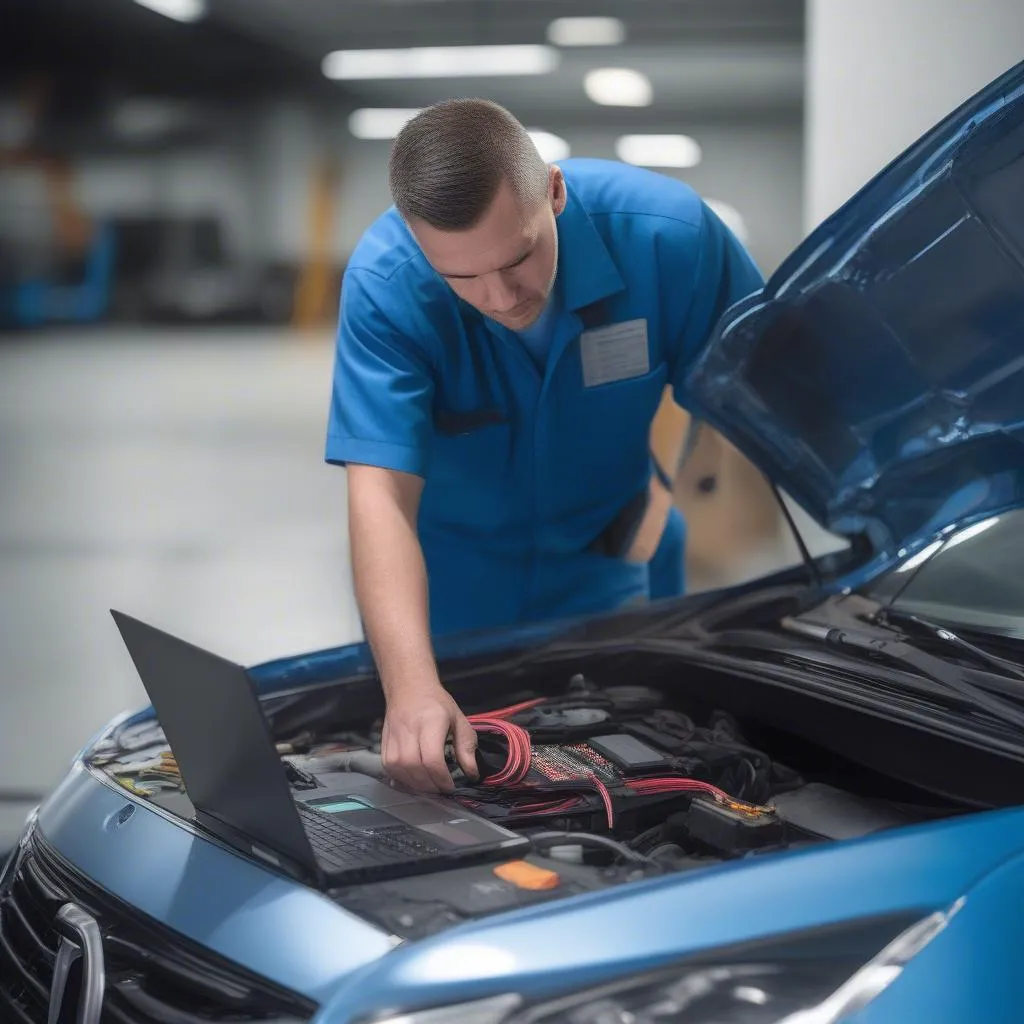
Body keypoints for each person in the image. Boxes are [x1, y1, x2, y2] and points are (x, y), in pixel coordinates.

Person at [325, 99, 763, 794]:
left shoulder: (669, 240)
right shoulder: (387, 286)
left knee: (623, 778)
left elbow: (775, 399)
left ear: (554, 192)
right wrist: (410, 686)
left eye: (518, 257)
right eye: (461, 277)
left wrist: (660, 508)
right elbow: (379, 492)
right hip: (447, 596)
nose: (499, 297)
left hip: (603, 576)